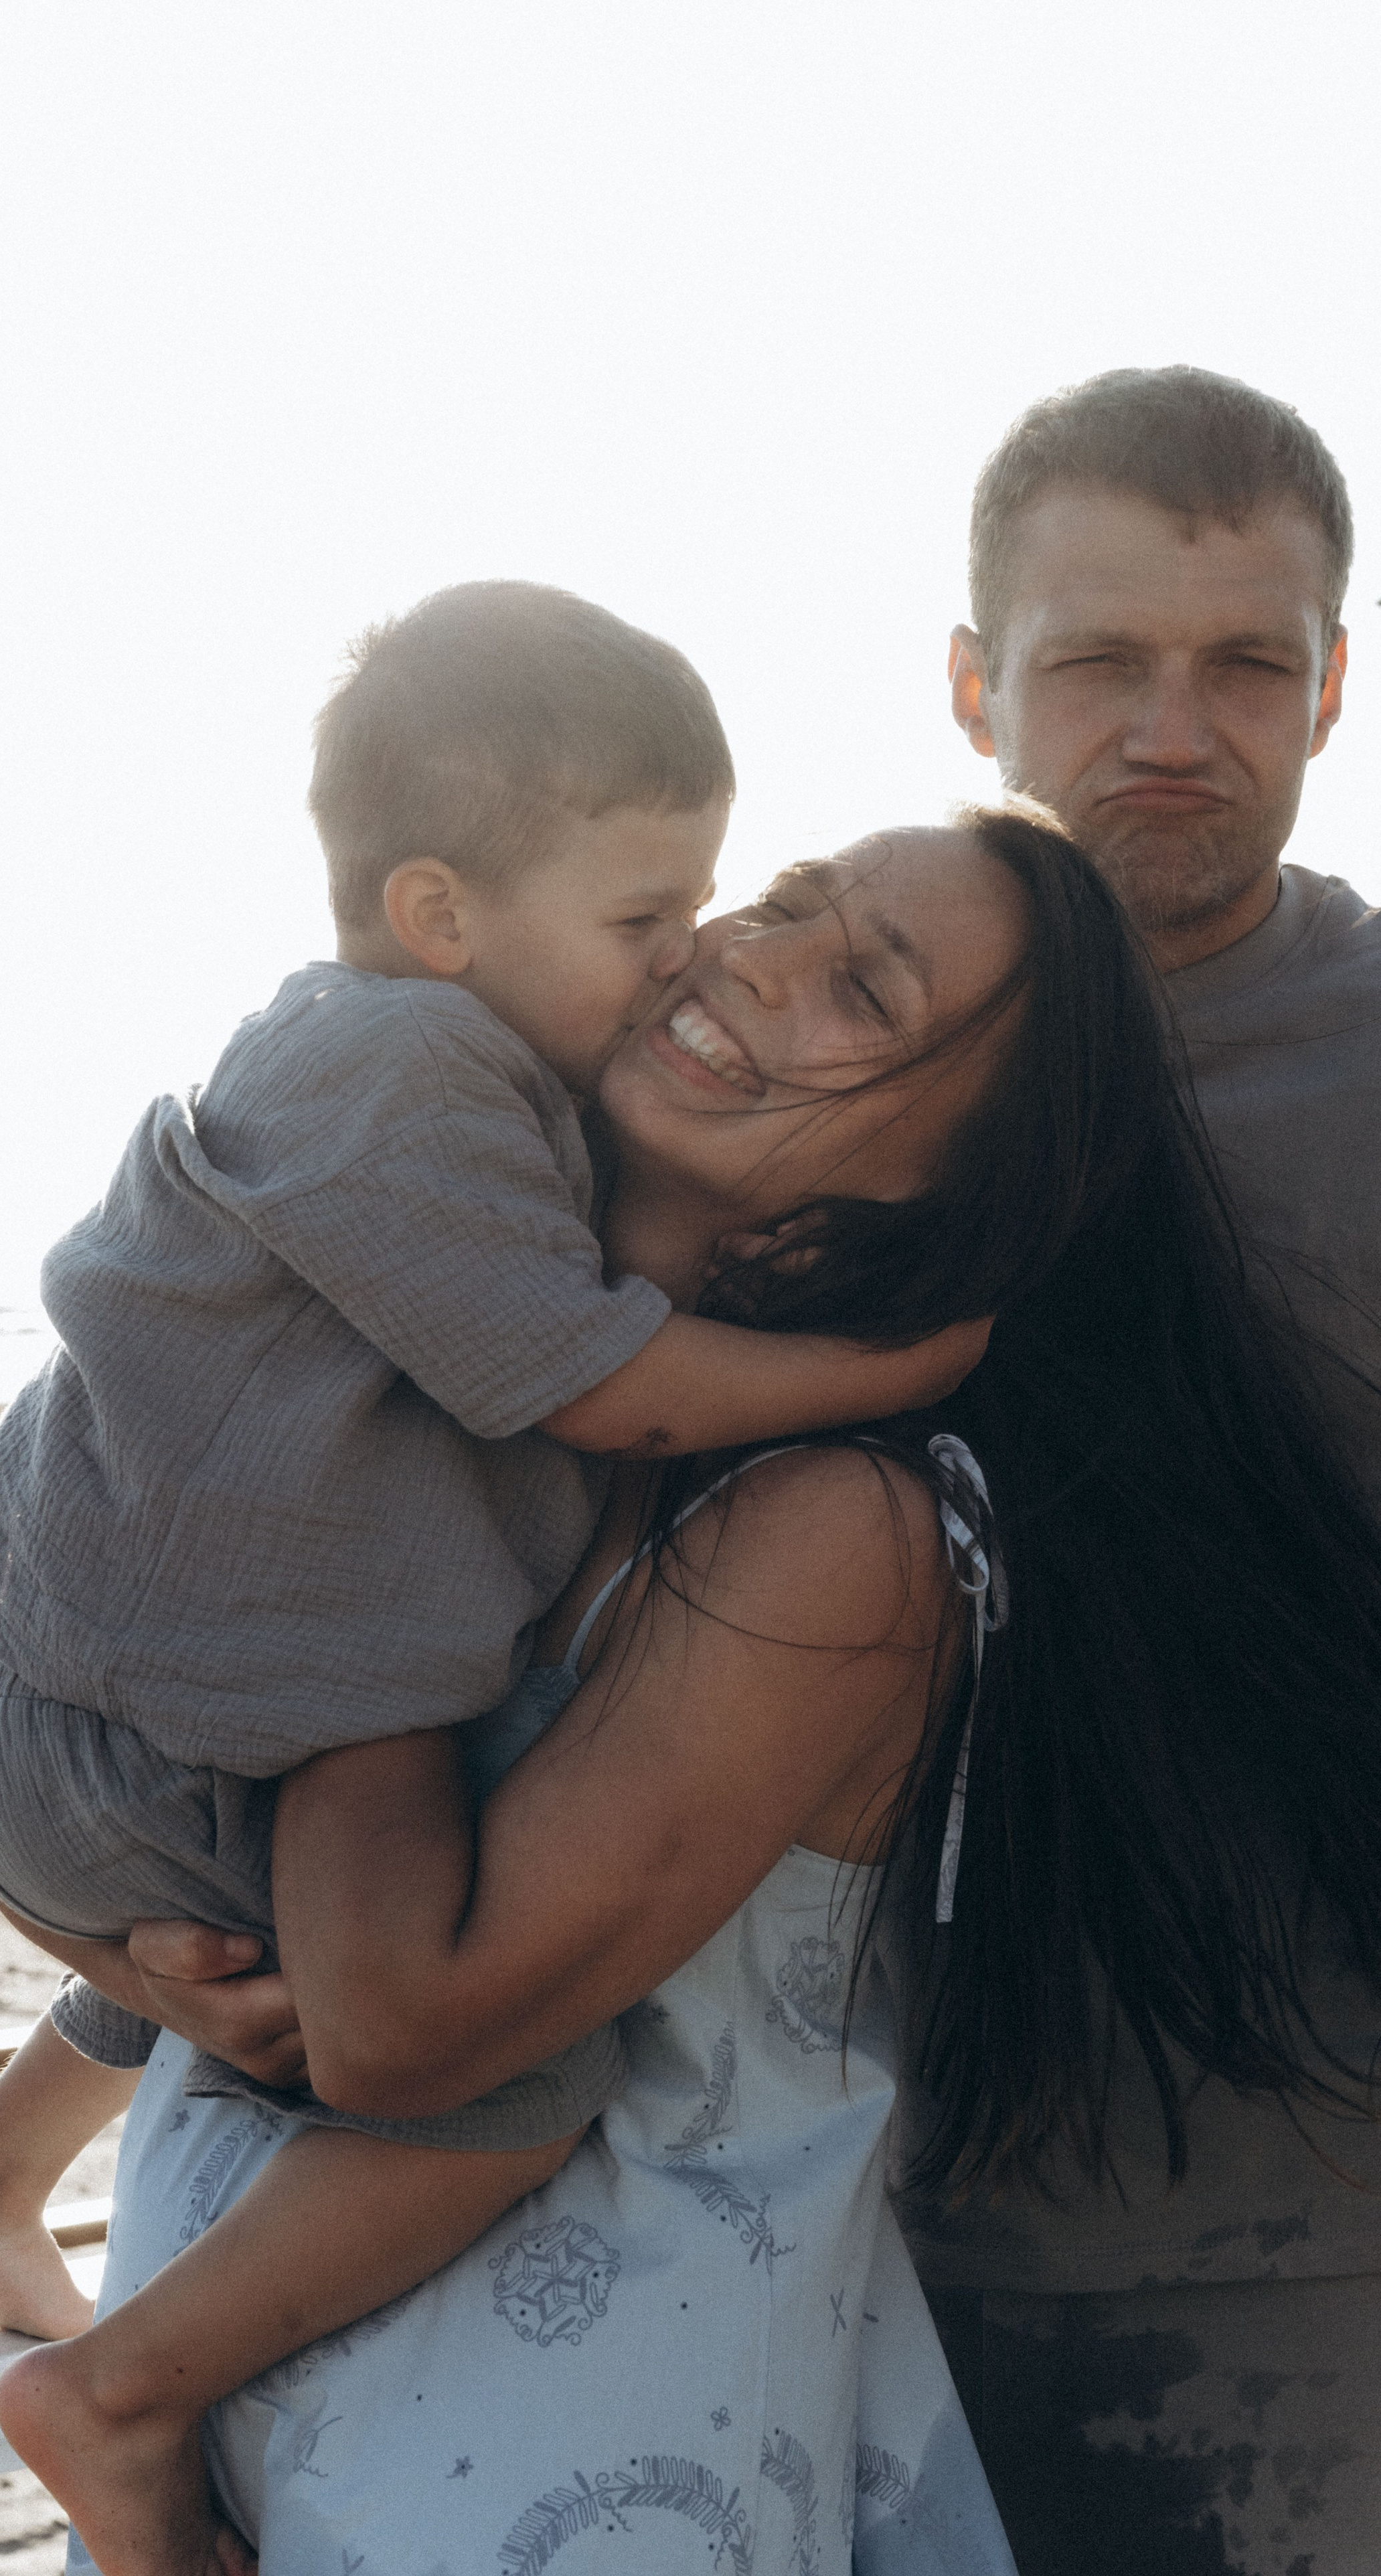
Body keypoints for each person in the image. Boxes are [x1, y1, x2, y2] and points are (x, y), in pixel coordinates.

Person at [46, 805, 1381, 2576]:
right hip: (235, 2410)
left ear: (943, 1181)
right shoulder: (464, 1378)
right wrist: (134, 1959)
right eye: (788, 901)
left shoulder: (839, 1530)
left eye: (863, 989)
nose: (756, 956)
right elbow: (76, 1712)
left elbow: (397, 2029)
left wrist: (337, 1579)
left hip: (577, 2480)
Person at [0, 582, 984, 2567]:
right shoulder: (421, 1089)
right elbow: (588, 1379)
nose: (703, 955)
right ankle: (118, 2392)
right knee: (515, 2078)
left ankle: (0, 2187)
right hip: (169, 1724)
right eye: (669, 914)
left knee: (297, 1904)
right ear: (442, 916)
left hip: (125, 1724)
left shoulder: (455, 1107)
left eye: (851, 979)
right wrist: (889, 1366)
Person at [916, 365, 1381, 2569]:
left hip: (1294, 2266)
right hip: (798, 2218)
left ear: (1335, 689)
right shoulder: (809, 1033)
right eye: (1102, 659)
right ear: (976, 686)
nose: (1174, 729)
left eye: (1248, 666)